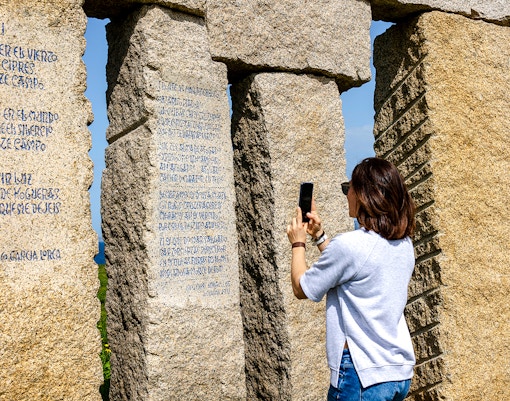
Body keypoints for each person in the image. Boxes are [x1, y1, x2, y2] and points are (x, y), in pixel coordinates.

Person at [286, 157, 416, 401]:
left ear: (364, 195)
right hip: (397, 370)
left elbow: (301, 287)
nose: (347, 195)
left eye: (348, 188)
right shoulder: (404, 245)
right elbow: (357, 271)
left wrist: (298, 242)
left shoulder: (351, 245)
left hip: (360, 372)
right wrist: (320, 237)